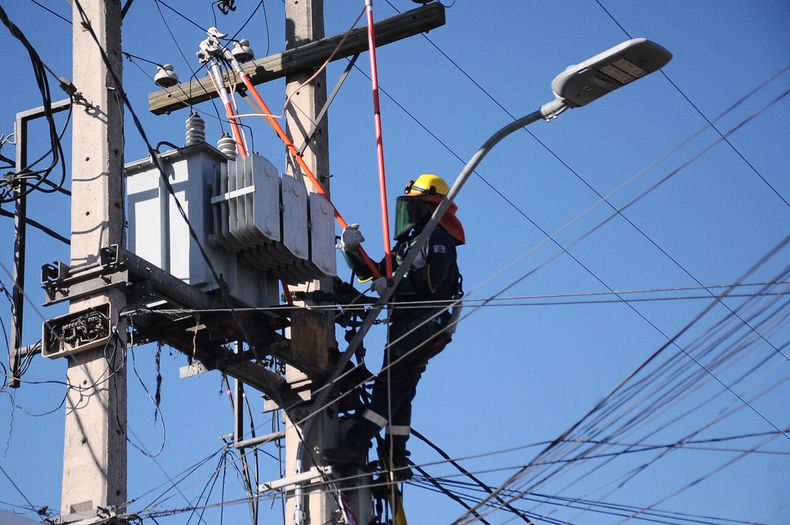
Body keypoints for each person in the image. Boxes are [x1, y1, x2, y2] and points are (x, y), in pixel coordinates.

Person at [325, 174, 465, 480]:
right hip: (407, 326)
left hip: (426, 325)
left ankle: (357, 444)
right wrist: (351, 250)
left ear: (430, 205)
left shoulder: (437, 239)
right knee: (400, 388)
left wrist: (394, 285)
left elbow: (432, 281)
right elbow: (372, 274)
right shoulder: (409, 245)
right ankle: (396, 458)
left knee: (390, 387)